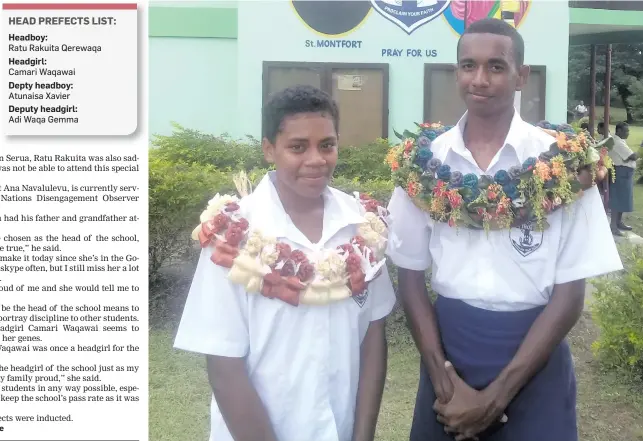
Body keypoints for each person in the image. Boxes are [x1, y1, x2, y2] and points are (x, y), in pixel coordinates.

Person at [386, 18, 623, 441]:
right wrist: (445, 385)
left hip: (535, 358)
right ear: (456, 71)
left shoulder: (565, 164)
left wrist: (496, 397)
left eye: (496, 66)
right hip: (448, 357)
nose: (480, 79)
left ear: (521, 76)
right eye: (468, 66)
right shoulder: (421, 166)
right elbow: (410, 280)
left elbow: (570, 296)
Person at [174, 85, 397, 441]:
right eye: (297, 147)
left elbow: (373, 336)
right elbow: (223, 364)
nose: (316, 159)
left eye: (327, 144)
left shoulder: (362, 226)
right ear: (268, 149)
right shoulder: (236, 235)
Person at [608, 122, 637, 236]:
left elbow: (629, 158)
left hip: (625, 172)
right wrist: (640, 151)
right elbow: (633, 156)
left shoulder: (621, 141)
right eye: (626, 131)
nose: (628, 133)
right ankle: (613, 226)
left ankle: (619, 222)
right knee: (617, 199)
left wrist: (629, 159)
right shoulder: (617, 142)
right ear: (618, 131)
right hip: (620, 172)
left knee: (623, 199)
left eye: (628, 131)